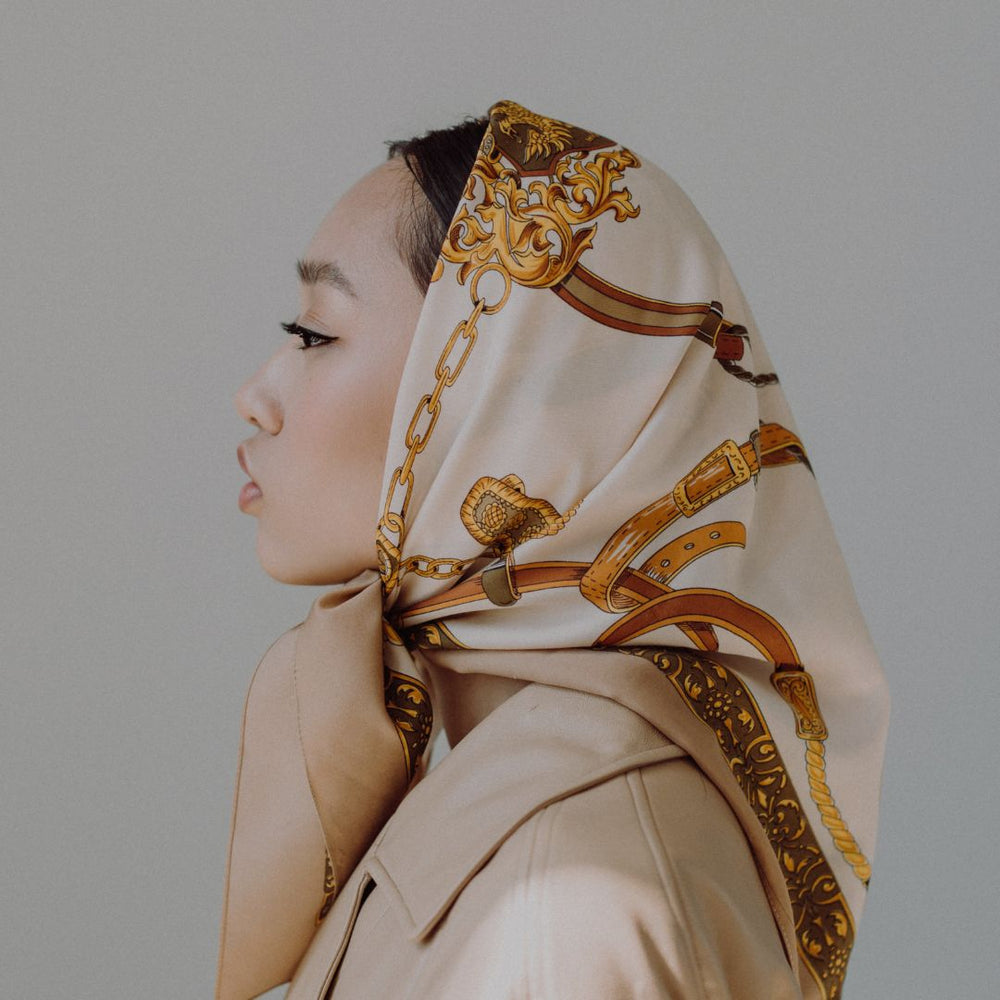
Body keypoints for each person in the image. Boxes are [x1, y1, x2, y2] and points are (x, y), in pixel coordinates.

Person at [222, 100, 889, 999]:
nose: (255, 398)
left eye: (314, 334)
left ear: (504, 396)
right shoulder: (527, 808)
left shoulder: (563, 899)